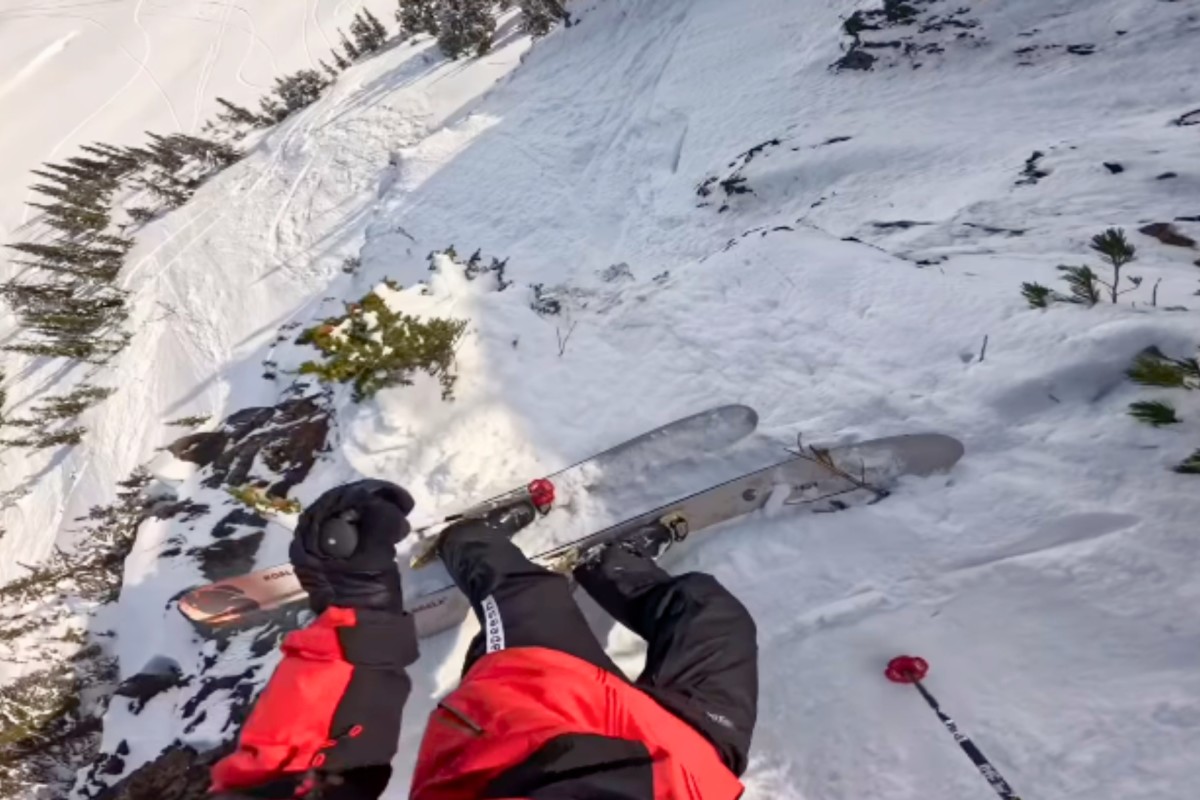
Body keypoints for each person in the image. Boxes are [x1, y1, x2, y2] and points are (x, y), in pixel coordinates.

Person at [210, 479, 758, 799]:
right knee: (715, 618)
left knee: (528, 593)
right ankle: (614, 565)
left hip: (525, 724)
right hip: (693, 760)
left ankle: (473, 538)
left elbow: (297, 780)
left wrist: (360, 612)